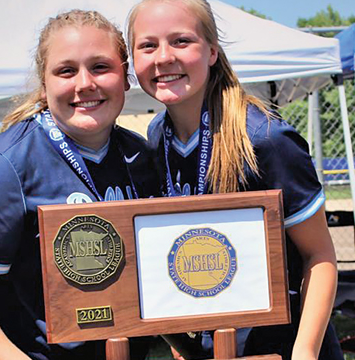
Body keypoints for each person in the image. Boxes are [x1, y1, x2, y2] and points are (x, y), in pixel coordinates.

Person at [0, 10, 159, 360]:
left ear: (124, 77)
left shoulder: (140, 157)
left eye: (100, 67)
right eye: (66, 70)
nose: (85, 83)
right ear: (44, 83)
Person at [127, 1, 339, 359]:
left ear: (212, 51)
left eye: (181, 41)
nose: (163, 57)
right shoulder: (156, 136)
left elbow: (319, 256)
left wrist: (304, 351)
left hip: (280, 347)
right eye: (148, 45)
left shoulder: (265, 140)